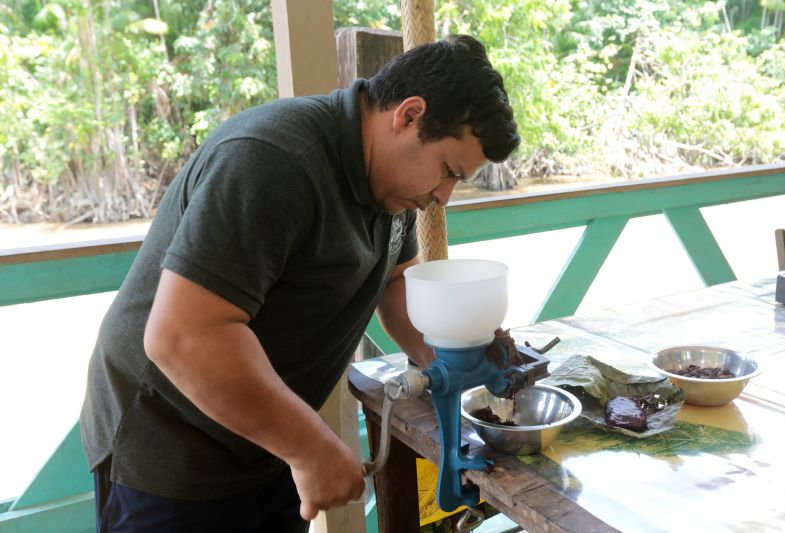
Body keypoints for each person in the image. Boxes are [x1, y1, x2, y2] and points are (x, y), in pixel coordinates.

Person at [80, 34, 519, 532]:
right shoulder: (272, 160)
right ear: (409, 116)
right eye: (447, 171)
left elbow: (395, 281)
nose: (444, 196)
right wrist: (309, 449)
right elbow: (183, 337)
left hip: (267, 437)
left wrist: (451, 362)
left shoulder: (394, 185)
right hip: (172, 451)